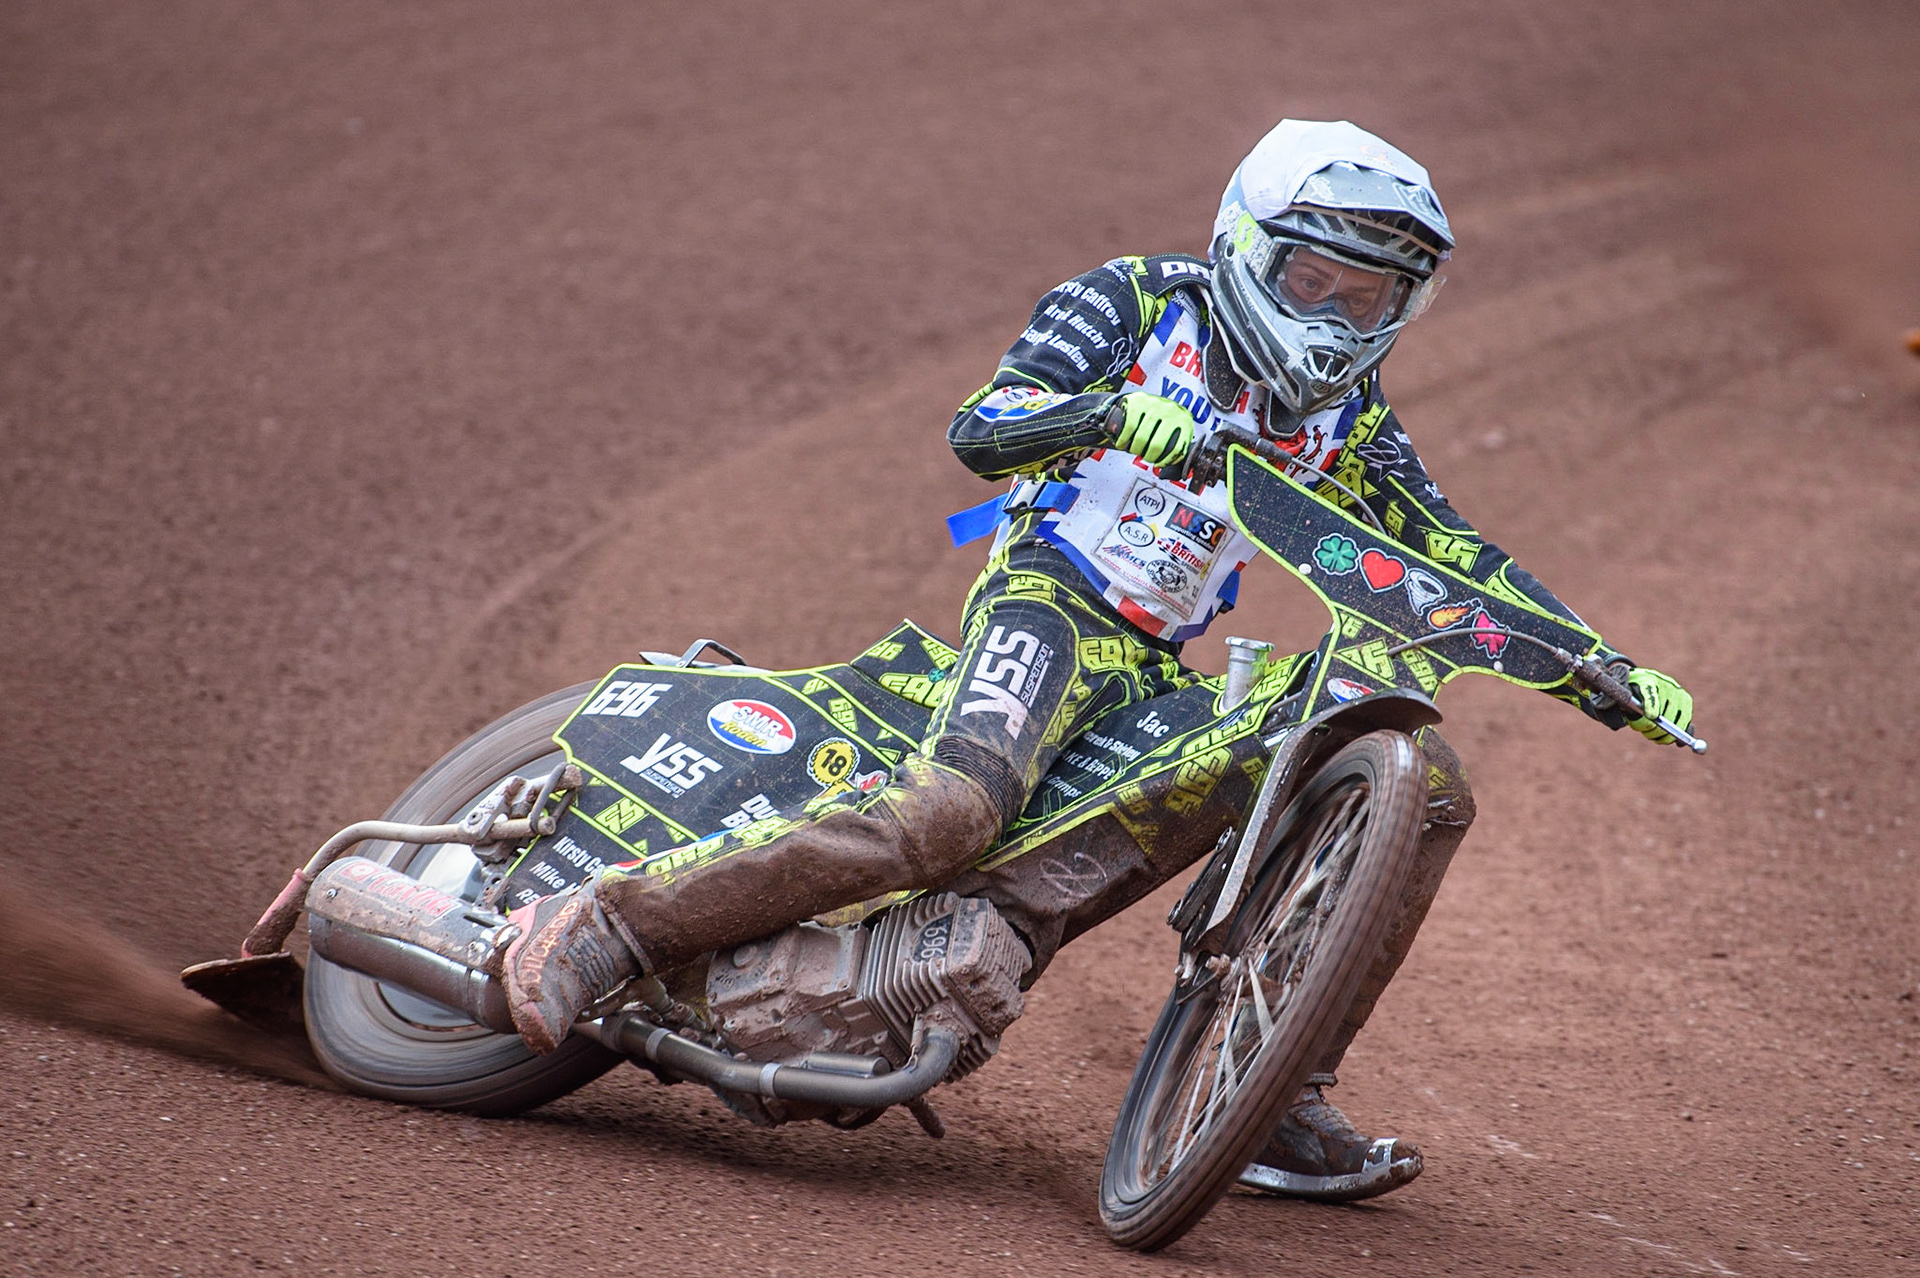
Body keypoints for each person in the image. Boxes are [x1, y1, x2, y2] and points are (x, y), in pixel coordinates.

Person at [500, 119, 1695, 1202]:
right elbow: (983, 427)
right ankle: (608, 925)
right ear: (1248, 246)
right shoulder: (1135, 301)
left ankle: (1276, 1094)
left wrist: (1599, 663)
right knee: (952, 813)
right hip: (1048, 600)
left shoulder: (1354, 419)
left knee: (1420, 789)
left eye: (1369, 295)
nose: (1336, 318)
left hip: (1155, 663)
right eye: (1313, 282)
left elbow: (1454, 553)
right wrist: (1108, 417)